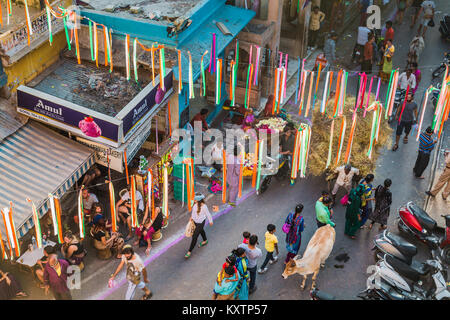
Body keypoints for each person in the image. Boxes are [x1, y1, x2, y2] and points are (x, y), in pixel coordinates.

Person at [185, 193, 213, 259]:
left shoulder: (204, 207)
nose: (194, 199)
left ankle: (189, 251)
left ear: (198, 200)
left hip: (201, 222)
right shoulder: (195, 205)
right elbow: (193, 212)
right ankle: (205, 240)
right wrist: (191, 217)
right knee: (201, 231)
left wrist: (210, 221)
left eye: (195, 199)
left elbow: (208, 214)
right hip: (194, 221)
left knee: (194, 236)